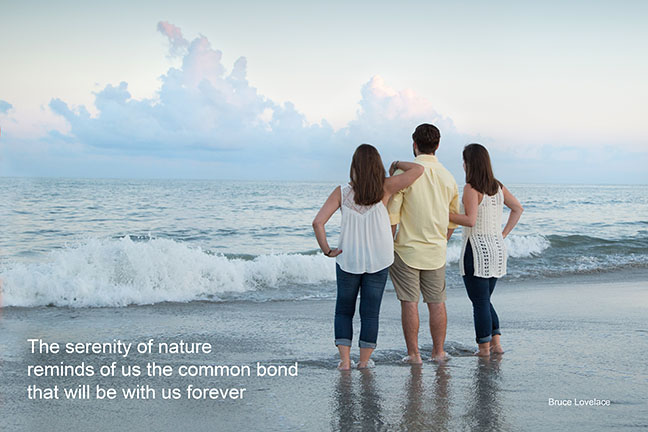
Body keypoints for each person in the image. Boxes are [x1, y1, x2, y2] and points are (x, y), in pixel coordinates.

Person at [313, 144, 424, 370]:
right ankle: (364, 362)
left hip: (348, 259)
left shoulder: (341, 192)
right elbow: (418, 170)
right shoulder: (386, 187)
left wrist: (327, 250)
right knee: (370, 312)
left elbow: (318, 223)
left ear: (354, 165)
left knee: (344, 310)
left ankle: (344, 361)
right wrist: (397, 165)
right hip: (378, 260)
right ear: (377, 166)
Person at [388, 123, 460, 364]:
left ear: (414, 145)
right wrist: (441, 241)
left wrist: (388, 243)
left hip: (406, 249)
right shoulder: (448, 177)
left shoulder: (403, 176)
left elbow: (393, 216)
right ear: (437, 146)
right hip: (436, 251)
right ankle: (439, 352)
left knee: (410, 302)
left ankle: (414, 355)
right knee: (437, 302)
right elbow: (452, 220)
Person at [450, 143, 523, 356]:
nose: (462, 165)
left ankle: (483, 348)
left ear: (469, 164)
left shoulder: (471, 188)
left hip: (476, 251)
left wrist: (441, 215)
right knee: (484, 301)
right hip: (497, 250)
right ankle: (496, 344)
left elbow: (470, 220)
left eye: (464, 161)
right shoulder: (498, 187)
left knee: (480, 303)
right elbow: (518, 209)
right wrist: (502, 235)